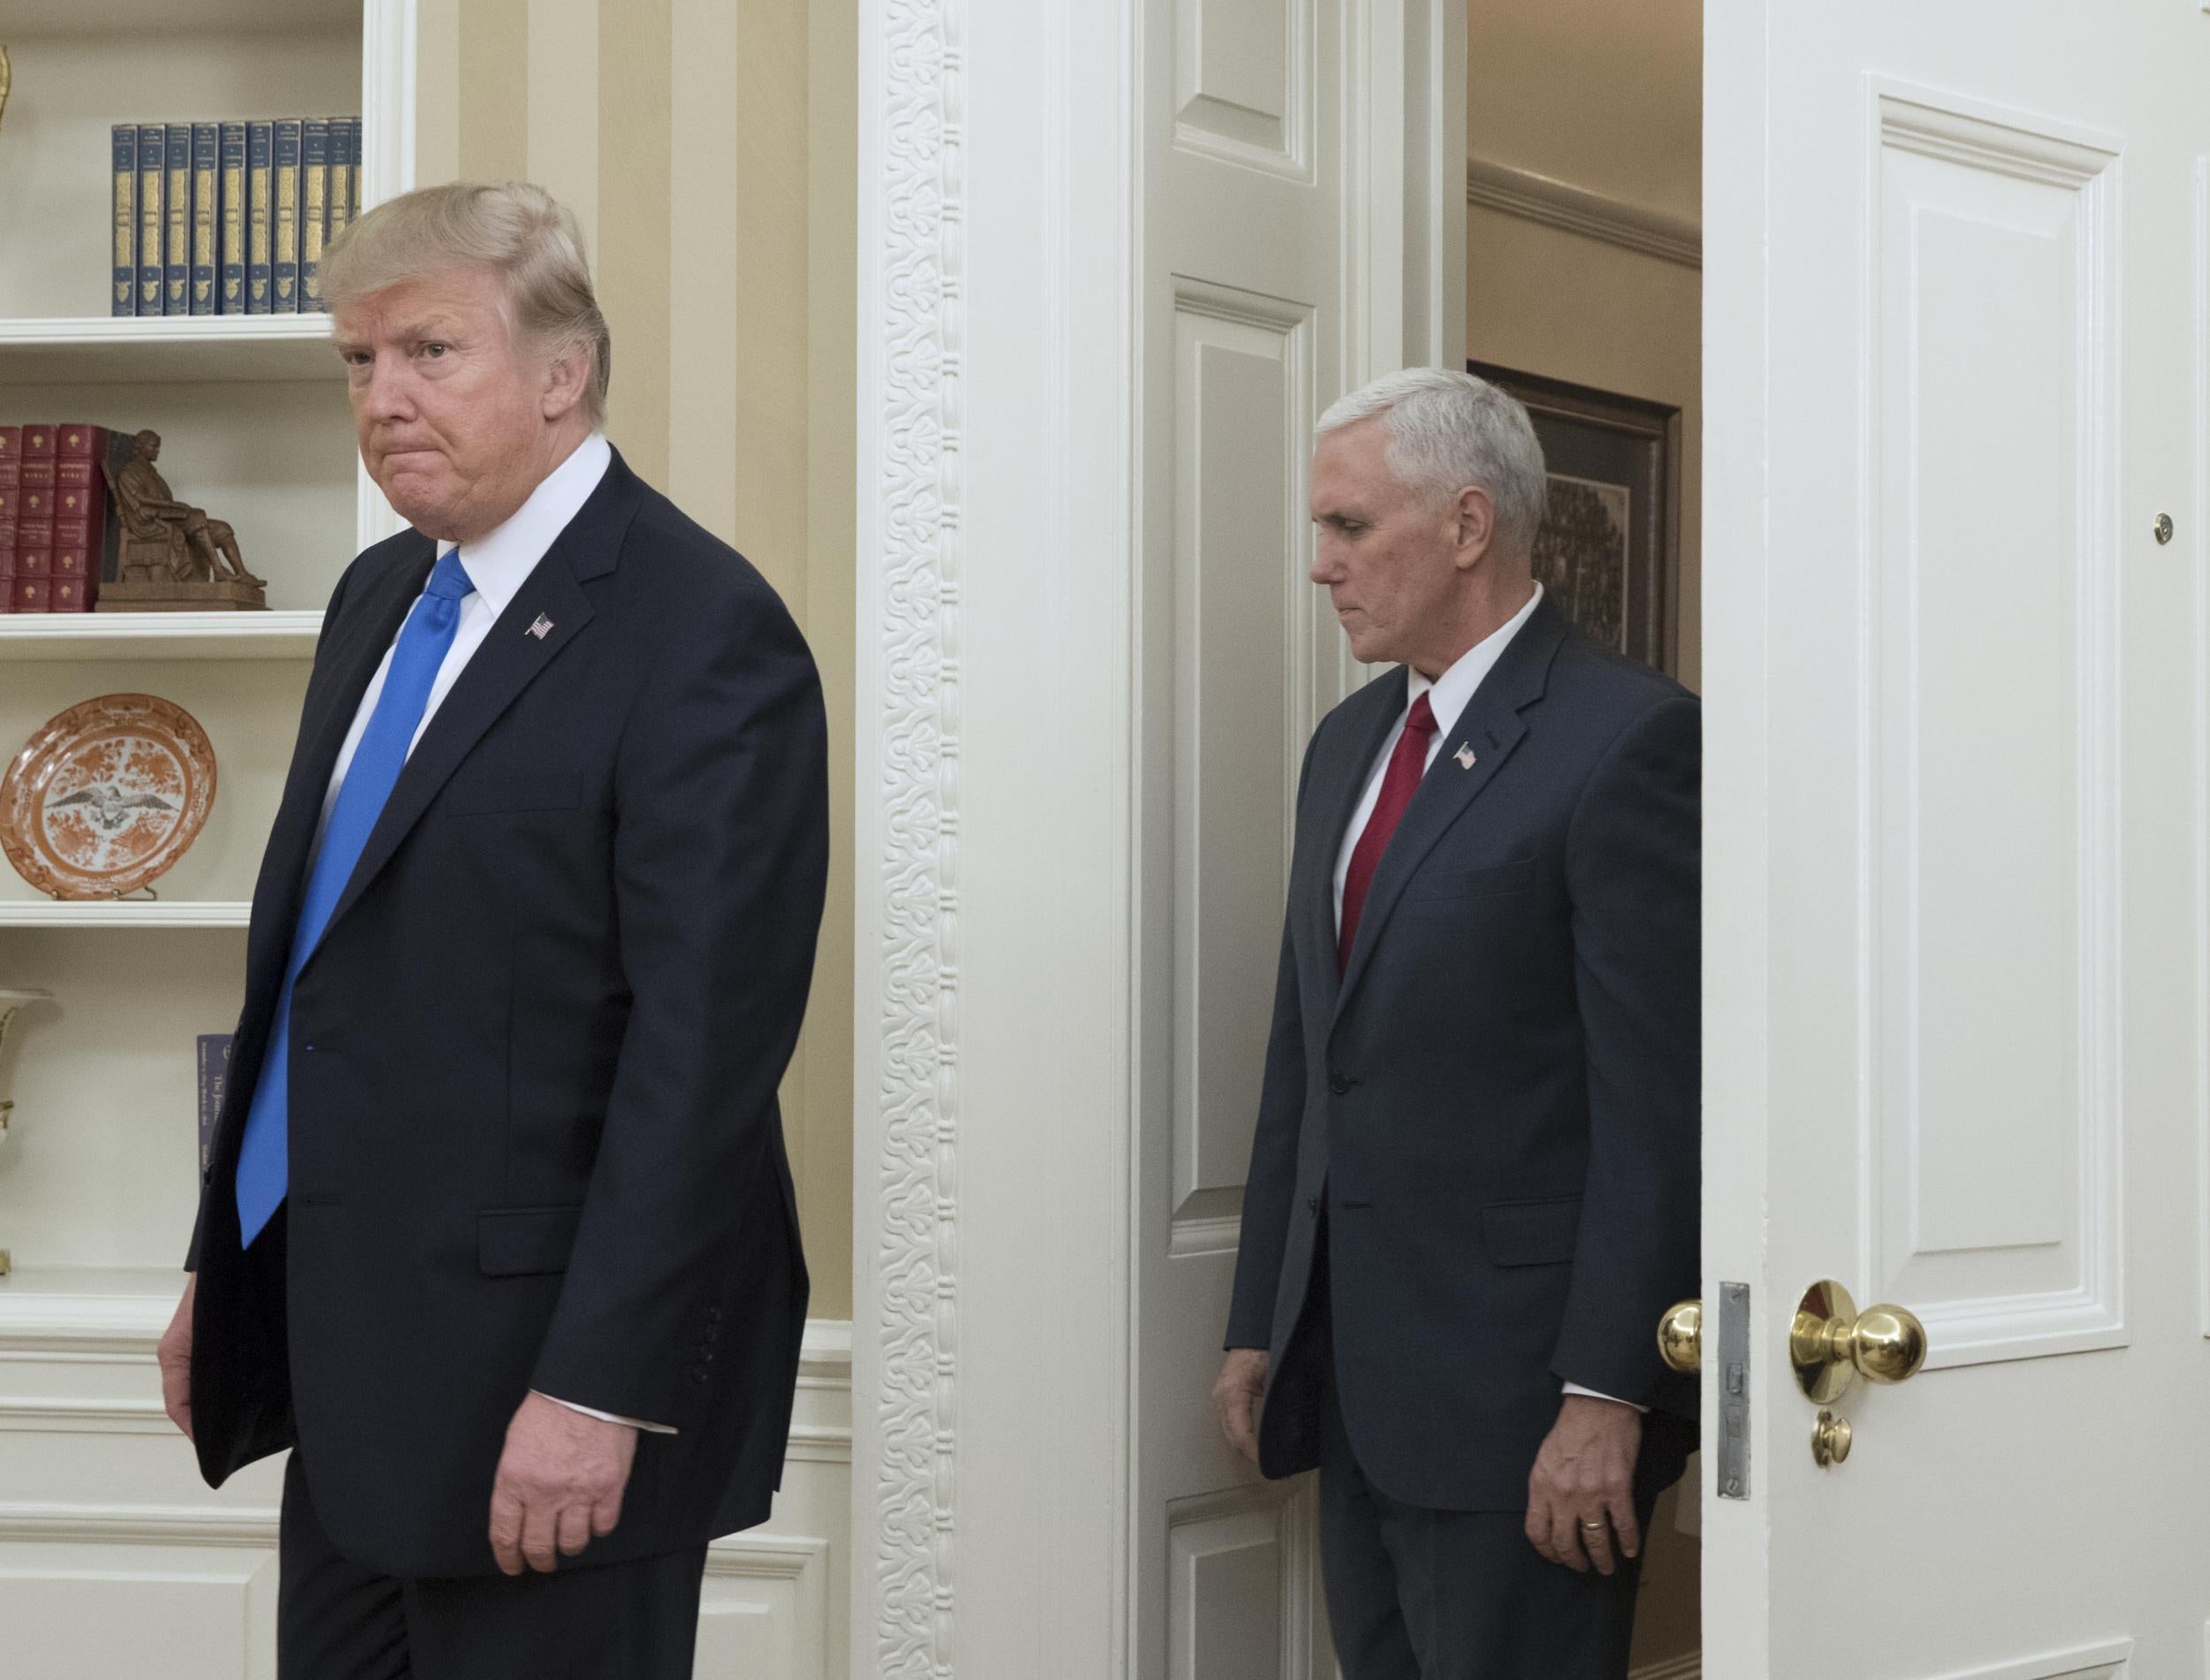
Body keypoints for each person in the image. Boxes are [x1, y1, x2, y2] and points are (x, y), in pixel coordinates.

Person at [155, 180, 829, 1679]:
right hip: (348, 1369)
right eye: (358, 361)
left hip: (550, 1395)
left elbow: (704, 1053)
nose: (383, 397)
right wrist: (229, 1264)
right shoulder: (380, 596)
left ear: (561, 374)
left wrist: (601, 1388)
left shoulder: (702, 627)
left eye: (430, 352)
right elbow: (322, 973)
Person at [1211, 369, 1699, 1679]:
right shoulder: (1346, 744)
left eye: (1351, 528)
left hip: (1526, 1407)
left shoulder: (1628, 741)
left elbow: (1661, 1110)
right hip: (1358, 1386)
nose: (1322, 565)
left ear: (1469, 525)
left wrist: (1607, 1393)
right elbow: (1304, 1058)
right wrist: (1263, 1315)